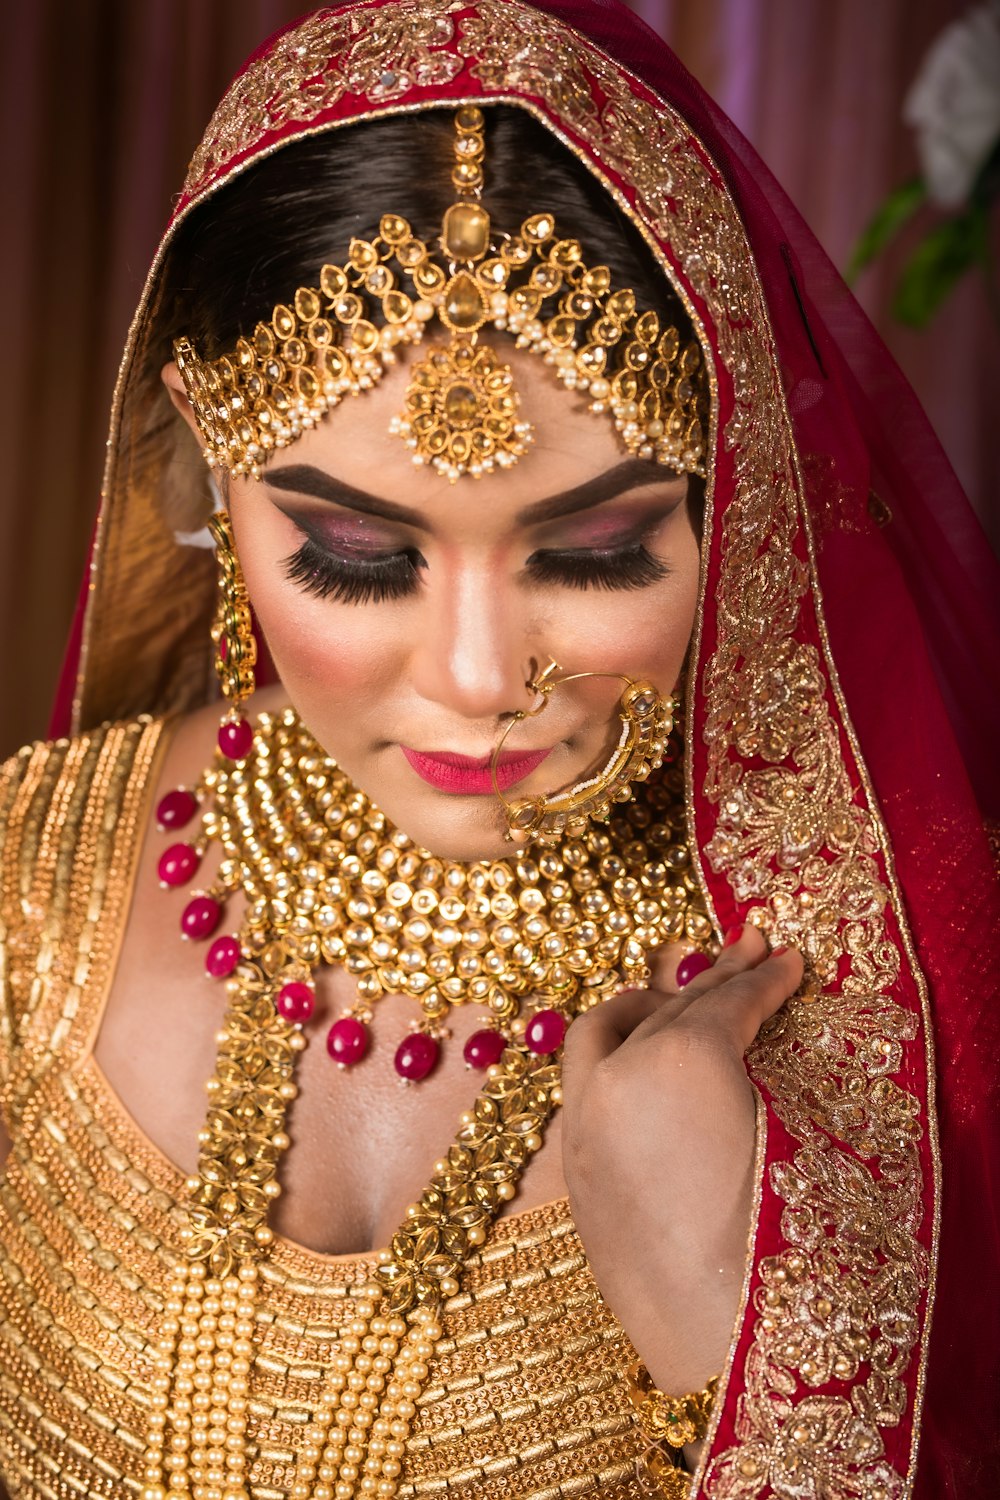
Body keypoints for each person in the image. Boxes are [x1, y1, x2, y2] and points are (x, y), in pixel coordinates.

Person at [1, 2, 997, 1496]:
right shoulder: (29, 882)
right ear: (216, 473)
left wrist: (737, 1358)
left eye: (594, 554)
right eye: (349, 553)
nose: (481, 681)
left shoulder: (883, 1001)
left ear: (742, 497)